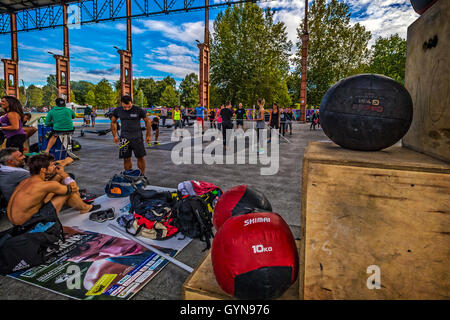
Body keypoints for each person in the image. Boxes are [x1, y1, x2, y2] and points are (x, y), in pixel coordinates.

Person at [7, 154, 100, 227]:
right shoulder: (45, 185)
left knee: (58, 182)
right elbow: (75, 188)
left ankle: (82, 206)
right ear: (43, 170)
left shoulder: (25, 181)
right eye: (52, 165)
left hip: (16, 222)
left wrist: (62, 164)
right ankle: (84, 208)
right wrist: (63, 173)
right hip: (28, 224)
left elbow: (49, 183)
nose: (54, 167)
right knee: (67, 191)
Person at [111, 96, 151, 175]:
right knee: (126, 158)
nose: (127, 109)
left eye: (128, 106)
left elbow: (148, 121)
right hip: (124, 138)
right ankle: (128, 176)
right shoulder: (118, 110)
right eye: (124, 107)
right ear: (121, 103)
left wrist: (148, 135)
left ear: (131, 103)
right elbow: (113, 122)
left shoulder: (138, 110)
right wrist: (114, 135)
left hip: (137, 138)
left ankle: (142, 176)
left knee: (140, 157)